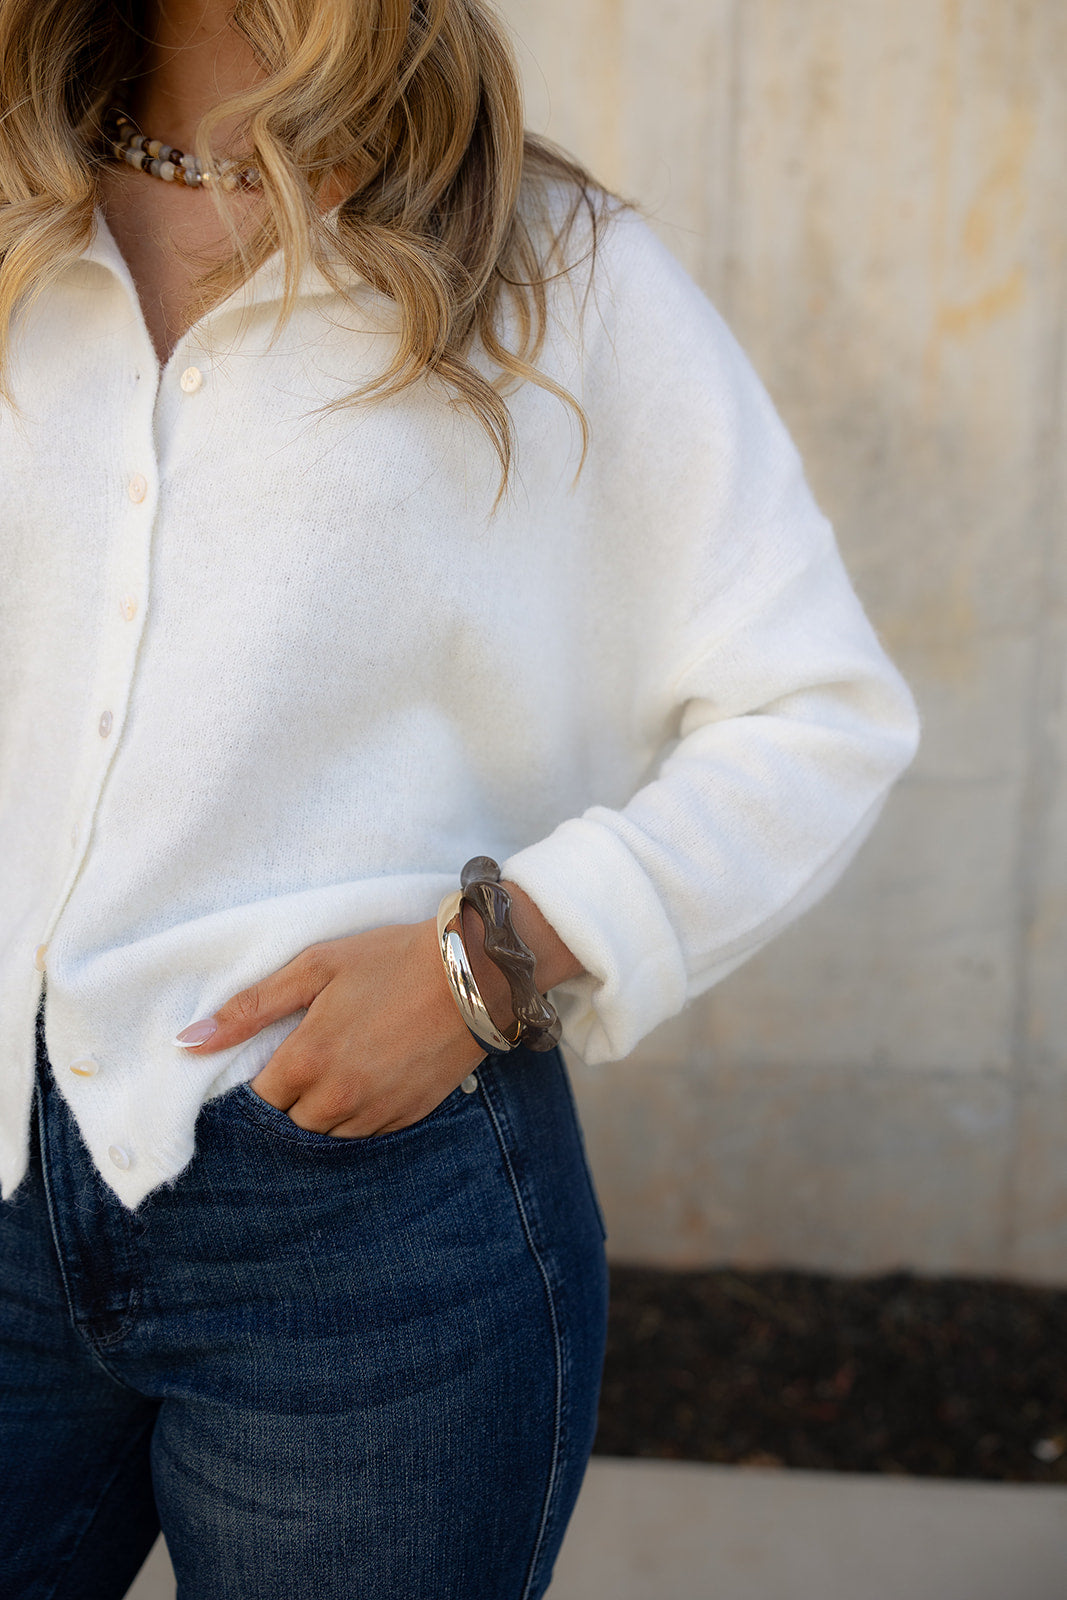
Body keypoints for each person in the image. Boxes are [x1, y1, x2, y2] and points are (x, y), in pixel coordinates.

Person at [0, 0, 920, 1595]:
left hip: (370, 1220)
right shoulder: (23, 224)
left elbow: (817, 713)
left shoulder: (555, 271)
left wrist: (489, 964)